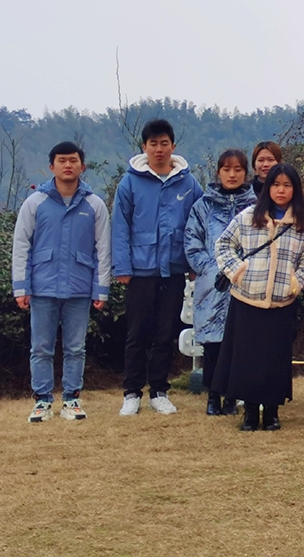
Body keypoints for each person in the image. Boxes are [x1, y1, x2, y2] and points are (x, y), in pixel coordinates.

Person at [13, 142, 111, 422]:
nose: (68, 165)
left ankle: (72, 399)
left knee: (76, 348)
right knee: (41, 348)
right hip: (42, 286)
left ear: (83, 166)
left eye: (73, 160)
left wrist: (101, 289)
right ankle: (42, 401)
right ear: (51, 166)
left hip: (79, 287)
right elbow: (21, 245)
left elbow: (103, 249)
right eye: (62, 160)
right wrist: (21, 287)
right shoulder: (35, 202)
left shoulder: (94, 204)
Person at [213, 164, 304, 431]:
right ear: (267, 187)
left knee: (275, 359)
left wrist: (295, 283)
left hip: (282, 302)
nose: (281, 190)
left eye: (287, 185)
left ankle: (271, 411)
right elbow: (223, 244)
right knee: (246, 358)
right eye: (276, 184)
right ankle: (249, 412)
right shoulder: (248, 217)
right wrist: (237, 271)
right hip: (247, 299)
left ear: (295, 190)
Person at [113, 119, 203, 416]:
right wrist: (122, 266)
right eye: (153, 144)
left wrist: (193, 263)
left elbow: (198, 225)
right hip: (140, 270)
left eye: (164, 143)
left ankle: (159, 391)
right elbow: (120, 227)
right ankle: (131, 393)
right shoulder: (130, 182)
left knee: (165, 333)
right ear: (145, 147)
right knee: (137, 333)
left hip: (174, 270)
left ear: (173, 146)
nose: (159, 149)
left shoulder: (188, 183)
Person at [183, 149, 257, 416]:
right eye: (227, 169)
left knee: (239, 344)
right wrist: (209, 267)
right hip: (212, 286)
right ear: (218, 172)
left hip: (246, 284)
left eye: (238, 169)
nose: (232, 174)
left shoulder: (256, 206)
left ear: (245, 172)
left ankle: (232, 397)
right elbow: (192, 242)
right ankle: (213, 397)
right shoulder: (203, 206)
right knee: (213, 345)